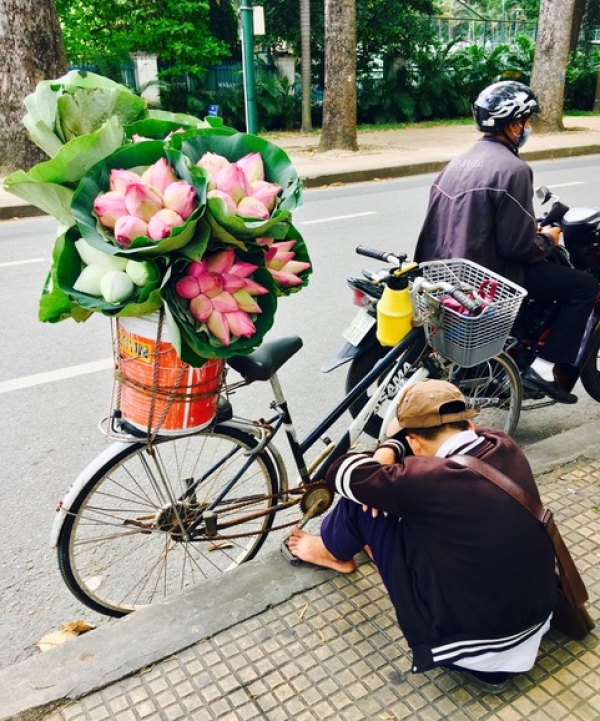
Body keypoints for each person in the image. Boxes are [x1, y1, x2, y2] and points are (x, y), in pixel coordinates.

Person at [288, 379, 557, 694]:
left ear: (414, 442)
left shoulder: (422, 481)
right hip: (538, 618)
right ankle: (358, 542)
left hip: (473, 650)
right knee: (388, 499)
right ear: (470, 424)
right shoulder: (503, 443)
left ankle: (330, 550)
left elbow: (340, 473)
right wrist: (395, 458)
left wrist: (389, 448)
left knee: (359, 503)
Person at [414, 80, 598, 404]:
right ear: (513, 124)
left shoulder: (457, 163)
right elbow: (519, 248)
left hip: (449, 267)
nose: (528, 127)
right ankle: (542, 369)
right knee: (583, 287)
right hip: (494, 275)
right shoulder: (514, 169)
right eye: (527, 121)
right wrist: (548, 239)